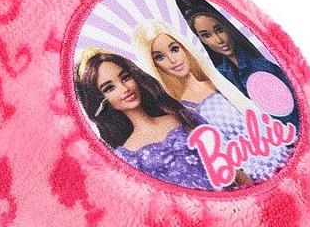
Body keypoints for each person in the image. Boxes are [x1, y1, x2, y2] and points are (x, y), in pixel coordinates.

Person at [132, 19, 293, 183]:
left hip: (283, 155)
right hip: (255, 179)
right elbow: (218, 159)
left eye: (174, 49)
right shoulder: (176, 108)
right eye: (160, 57)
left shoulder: (219, 79)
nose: (173, 60)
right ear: (153, 64)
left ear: (183, 47)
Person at [74, 48, 247, 190]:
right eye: (109, 88)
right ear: (100, 101)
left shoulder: (182, 116)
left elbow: (231, 165)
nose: (124, 88)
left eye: (125, 78)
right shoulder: (125, 157)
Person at [175, 0, 300, 132]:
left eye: (219, 29)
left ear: (227, 25)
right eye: (206, 35)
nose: (219, 40)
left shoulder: (262, 63)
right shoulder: (220, 76)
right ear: (201, 40)